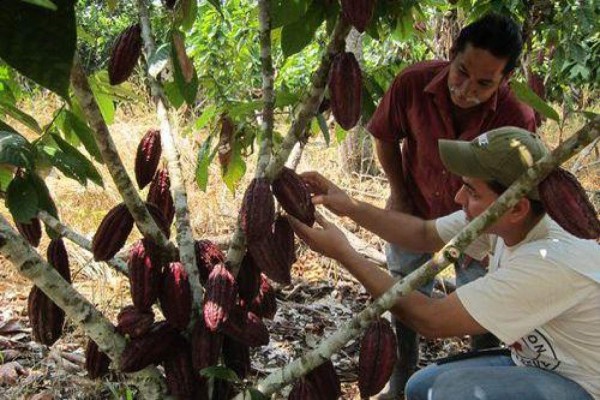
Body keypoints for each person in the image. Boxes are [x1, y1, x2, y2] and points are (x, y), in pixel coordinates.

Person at [289, 127, 600, 400]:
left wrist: (344, 253)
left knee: (453, 393)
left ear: (516, 208)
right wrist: (349, 206)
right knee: (421, 387)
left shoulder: (551, 261)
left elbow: (432, 320)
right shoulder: (506, 220)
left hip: (584, 385)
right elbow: (423, 234)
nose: (458, 197)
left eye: (472, 190)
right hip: (535, 363)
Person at [366, 12, 537, 396]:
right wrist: (400, 193)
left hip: (482, 223)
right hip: (417, 205)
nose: (465, 89)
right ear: (451, 53)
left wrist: (493, 233)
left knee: (483, 304)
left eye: (484, 83)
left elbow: (517, 188)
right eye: (461, 72)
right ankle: (403, 373)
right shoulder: (412, 83)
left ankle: (479, 378)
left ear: (505, 79)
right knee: (406, 291)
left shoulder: (517, 118)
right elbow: (384, 136)